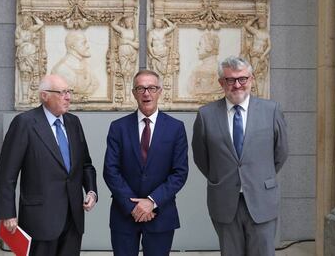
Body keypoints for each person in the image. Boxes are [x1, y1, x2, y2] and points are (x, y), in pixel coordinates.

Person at [192, 56, 288, 256]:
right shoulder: (206, 115)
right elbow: (202, 158)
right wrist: (223, 177)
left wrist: (258, 175)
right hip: (225, 200)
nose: (237, 85)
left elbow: (281, 152)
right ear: (221, 83)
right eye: (230, 80)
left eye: (242, 79)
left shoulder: (271, 111)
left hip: (262, 198)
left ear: (251, 79)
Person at [0, 74, 98, 256]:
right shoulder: (24, 123)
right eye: (62, 93)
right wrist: (7, 213)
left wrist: (91, 191)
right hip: (39, 219)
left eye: (69, 92)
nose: (68, 97)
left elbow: (86, 165)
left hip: (73, 218)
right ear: (44, 96)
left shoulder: (74, 123)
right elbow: (7, 173)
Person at [103, 70, 189, 256]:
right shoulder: (118, 127)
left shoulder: (176, 128)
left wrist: (151, 201)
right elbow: (111, 170)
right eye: (140, 88)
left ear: (160, 91)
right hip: (124, 214)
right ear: (133, 93)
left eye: (151, 88)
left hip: (161, 213)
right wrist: (133, 206)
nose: (146, 93)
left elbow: (179, 173)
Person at [51, 30, 98, 96]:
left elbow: (95, 85)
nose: (87, 46)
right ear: (73, 46)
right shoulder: (60, 70)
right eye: (83, 43)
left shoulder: (86, 67)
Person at [15, 15, 43, 103]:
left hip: (31, 53)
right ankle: (24, 97)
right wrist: (23, 40)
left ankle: (26, 96)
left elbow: (40, 24)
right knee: (24, 73)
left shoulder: (31, 29)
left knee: (28, 73)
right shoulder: (19, 30)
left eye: (28, 20)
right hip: (23, 53)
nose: (27, 22)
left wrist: (34, 16)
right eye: (25, 20)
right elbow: (17, 42)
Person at [111, 15, 139, 103]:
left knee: (129, 75)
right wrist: (120, 17)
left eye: (129, 21)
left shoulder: (135, 32)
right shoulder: (122, 30)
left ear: (132, 22)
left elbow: (137, 45)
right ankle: (126, 98)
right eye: (126, 21)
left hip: (131, 54)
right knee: (124, 73)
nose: (127, 23)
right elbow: (113, 24)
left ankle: (128, 98)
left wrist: (127, 42)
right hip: (122, 52)